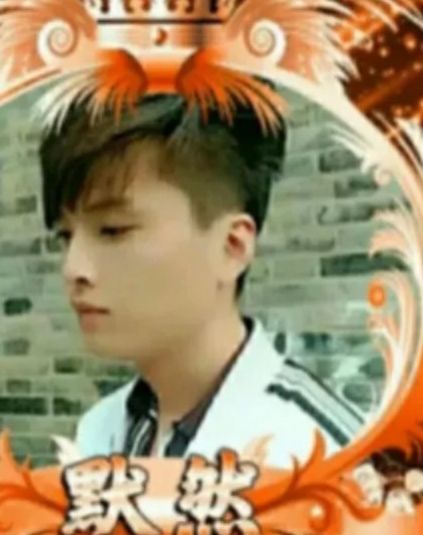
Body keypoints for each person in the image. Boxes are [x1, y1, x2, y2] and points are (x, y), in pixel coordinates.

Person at [38, 93, 366, 468]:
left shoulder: (328, 462)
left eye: (113, 230)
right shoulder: (99, 430)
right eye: (65, 236)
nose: (73, 268)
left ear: (231, 247)